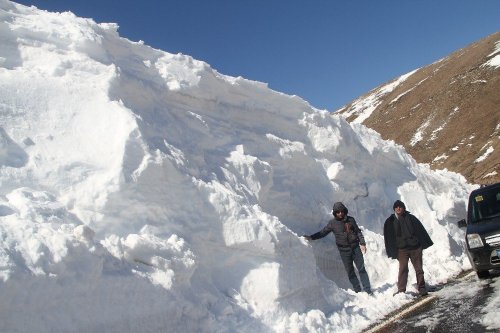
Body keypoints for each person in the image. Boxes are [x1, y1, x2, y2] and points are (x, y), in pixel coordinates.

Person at [304, 202, 372, 294]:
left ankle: (368, 290)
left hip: (355, 248)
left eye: (341, 211)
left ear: (344, 211)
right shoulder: (332, 223)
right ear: (335, 213)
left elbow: (358, 232)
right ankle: (358, 290)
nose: (340, 213)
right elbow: (323, 232)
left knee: (361, 269)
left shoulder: (351, 220)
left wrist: (362, 243)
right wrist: (311, 237)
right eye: (337, 212)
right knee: (350, 272)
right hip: (344, 251)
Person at [383, 200, 433, 296]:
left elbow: (420, 230)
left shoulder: (411, 218)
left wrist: (421, 244)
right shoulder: (391, 221)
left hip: (415, 248)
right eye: (396, 207)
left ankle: (421, 287)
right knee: (403, 269)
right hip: (402, 250)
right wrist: (393, 251)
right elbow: (388, 237)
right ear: (394, 209)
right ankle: (401, 290)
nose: (398, 208)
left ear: (404, 208)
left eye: (400, 206)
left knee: (419, 269)